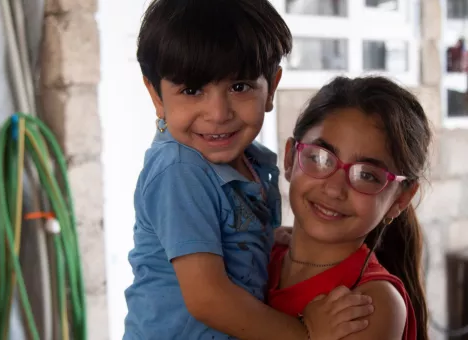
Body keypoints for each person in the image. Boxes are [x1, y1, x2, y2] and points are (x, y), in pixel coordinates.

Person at [123, 0, 374, 339]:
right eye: (192, 90)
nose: (218, 113)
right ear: (156, 95)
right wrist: (306, 333)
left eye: (239, 87)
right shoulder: (179, 170)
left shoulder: (254, 164)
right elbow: (208, 299)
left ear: (271, 86)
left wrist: (266, 236)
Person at [267, 76, 431, 340]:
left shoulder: (369, 304)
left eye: (367, 175)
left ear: (400, 200)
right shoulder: (257, 252)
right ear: (289, 158)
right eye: (320, 158)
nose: (334, 188)